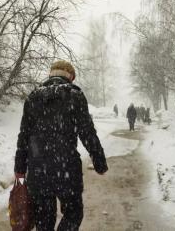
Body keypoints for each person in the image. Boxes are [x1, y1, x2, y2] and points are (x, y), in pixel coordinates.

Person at [14, 60, 108, 231]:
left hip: (38, 171)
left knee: (43, 221)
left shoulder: (33, 98)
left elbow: (24, 137)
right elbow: (87, 133)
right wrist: (99, 161)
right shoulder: (75, 96)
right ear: (70, 76)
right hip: (67, 171)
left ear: (51, 74)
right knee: (73, 213)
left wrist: (19, 170)